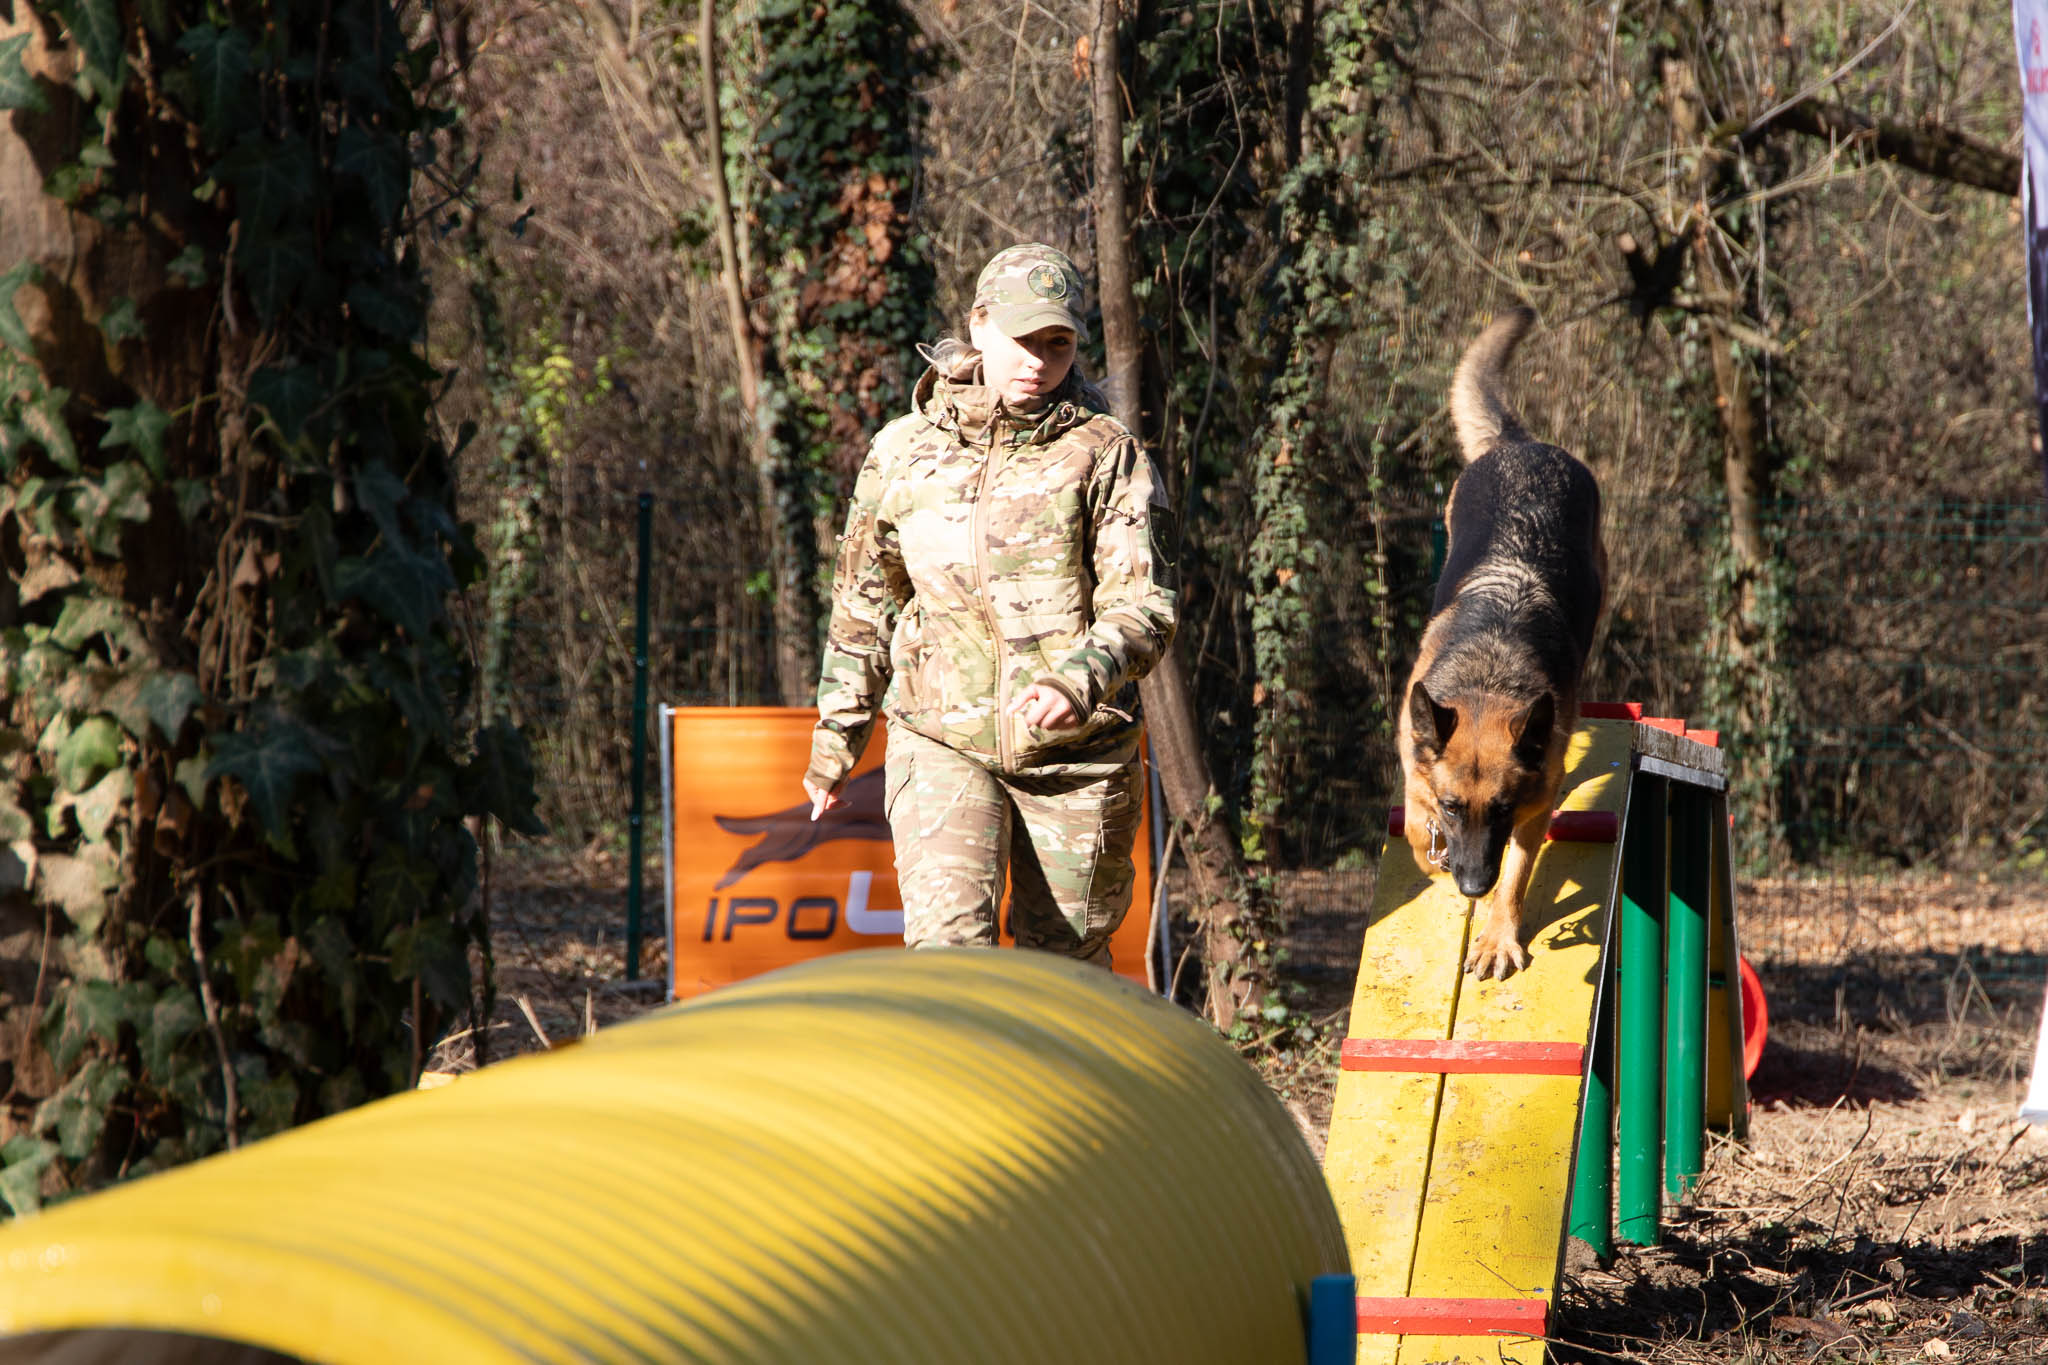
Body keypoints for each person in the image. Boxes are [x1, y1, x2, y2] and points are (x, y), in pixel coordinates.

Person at [801, 243, 1177, 968]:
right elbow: (864, 605)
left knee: (1063, 977)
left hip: (1078, 757)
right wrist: (835, 742)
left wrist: (1080, 679)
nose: (1038, 360)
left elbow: (1145, 604)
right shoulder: (904, 453)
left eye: (1056, 343)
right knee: (950, 962)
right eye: (1021, 339)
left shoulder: (1105, 454)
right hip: (940, 736)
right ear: (977, 326)